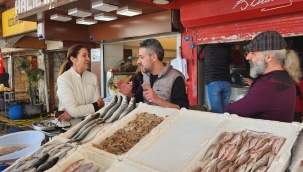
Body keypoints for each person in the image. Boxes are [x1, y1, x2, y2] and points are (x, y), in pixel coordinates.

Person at [224, 30, 301, 122]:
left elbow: (232, 110)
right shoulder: (285, 76)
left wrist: (228, 105)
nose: (248, 57)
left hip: (267, 134)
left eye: (253, 53)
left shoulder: (268, 85)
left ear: (268, 57)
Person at [116, 38, 189, 109]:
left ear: (154, 57)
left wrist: (157, 100)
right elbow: (138, 101)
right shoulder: (145, 76)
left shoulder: (175, 77)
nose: (138, 61)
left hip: (167, 120)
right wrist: (129, 94)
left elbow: (183, 108)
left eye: (142, 57)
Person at [56, 44, 104, 126]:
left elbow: (98, 107)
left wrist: (74, 112)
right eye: (84, 55)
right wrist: (96, 105)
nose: (88, 59)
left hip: (90, 125)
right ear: (73, 59)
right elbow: (97, 104)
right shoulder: (64, 79)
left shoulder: (92, 77)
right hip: (70, 128)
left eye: (88, 55)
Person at [199, 43, 243, 113]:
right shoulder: (228, 49)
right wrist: (237, 50)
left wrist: (204, 46)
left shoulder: (206, 49)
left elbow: (200, 57)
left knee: (217, 113)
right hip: (226, 83)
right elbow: (239, 62)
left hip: (213, 82)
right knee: (225, 112)